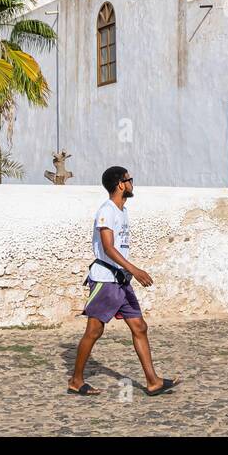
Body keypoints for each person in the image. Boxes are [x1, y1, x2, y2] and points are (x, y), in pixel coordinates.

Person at [67, 165, 178, 397]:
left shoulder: (122, 211)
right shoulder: (106, 211)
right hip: (106, 280)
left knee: (140, 327)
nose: (132, 183)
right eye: (129, 179)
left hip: (121, 280)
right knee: (94, 332)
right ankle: (76, 380)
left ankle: (153, 381)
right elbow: (107, 248)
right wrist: (135, 270)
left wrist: (128, 273)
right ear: (120, 184)